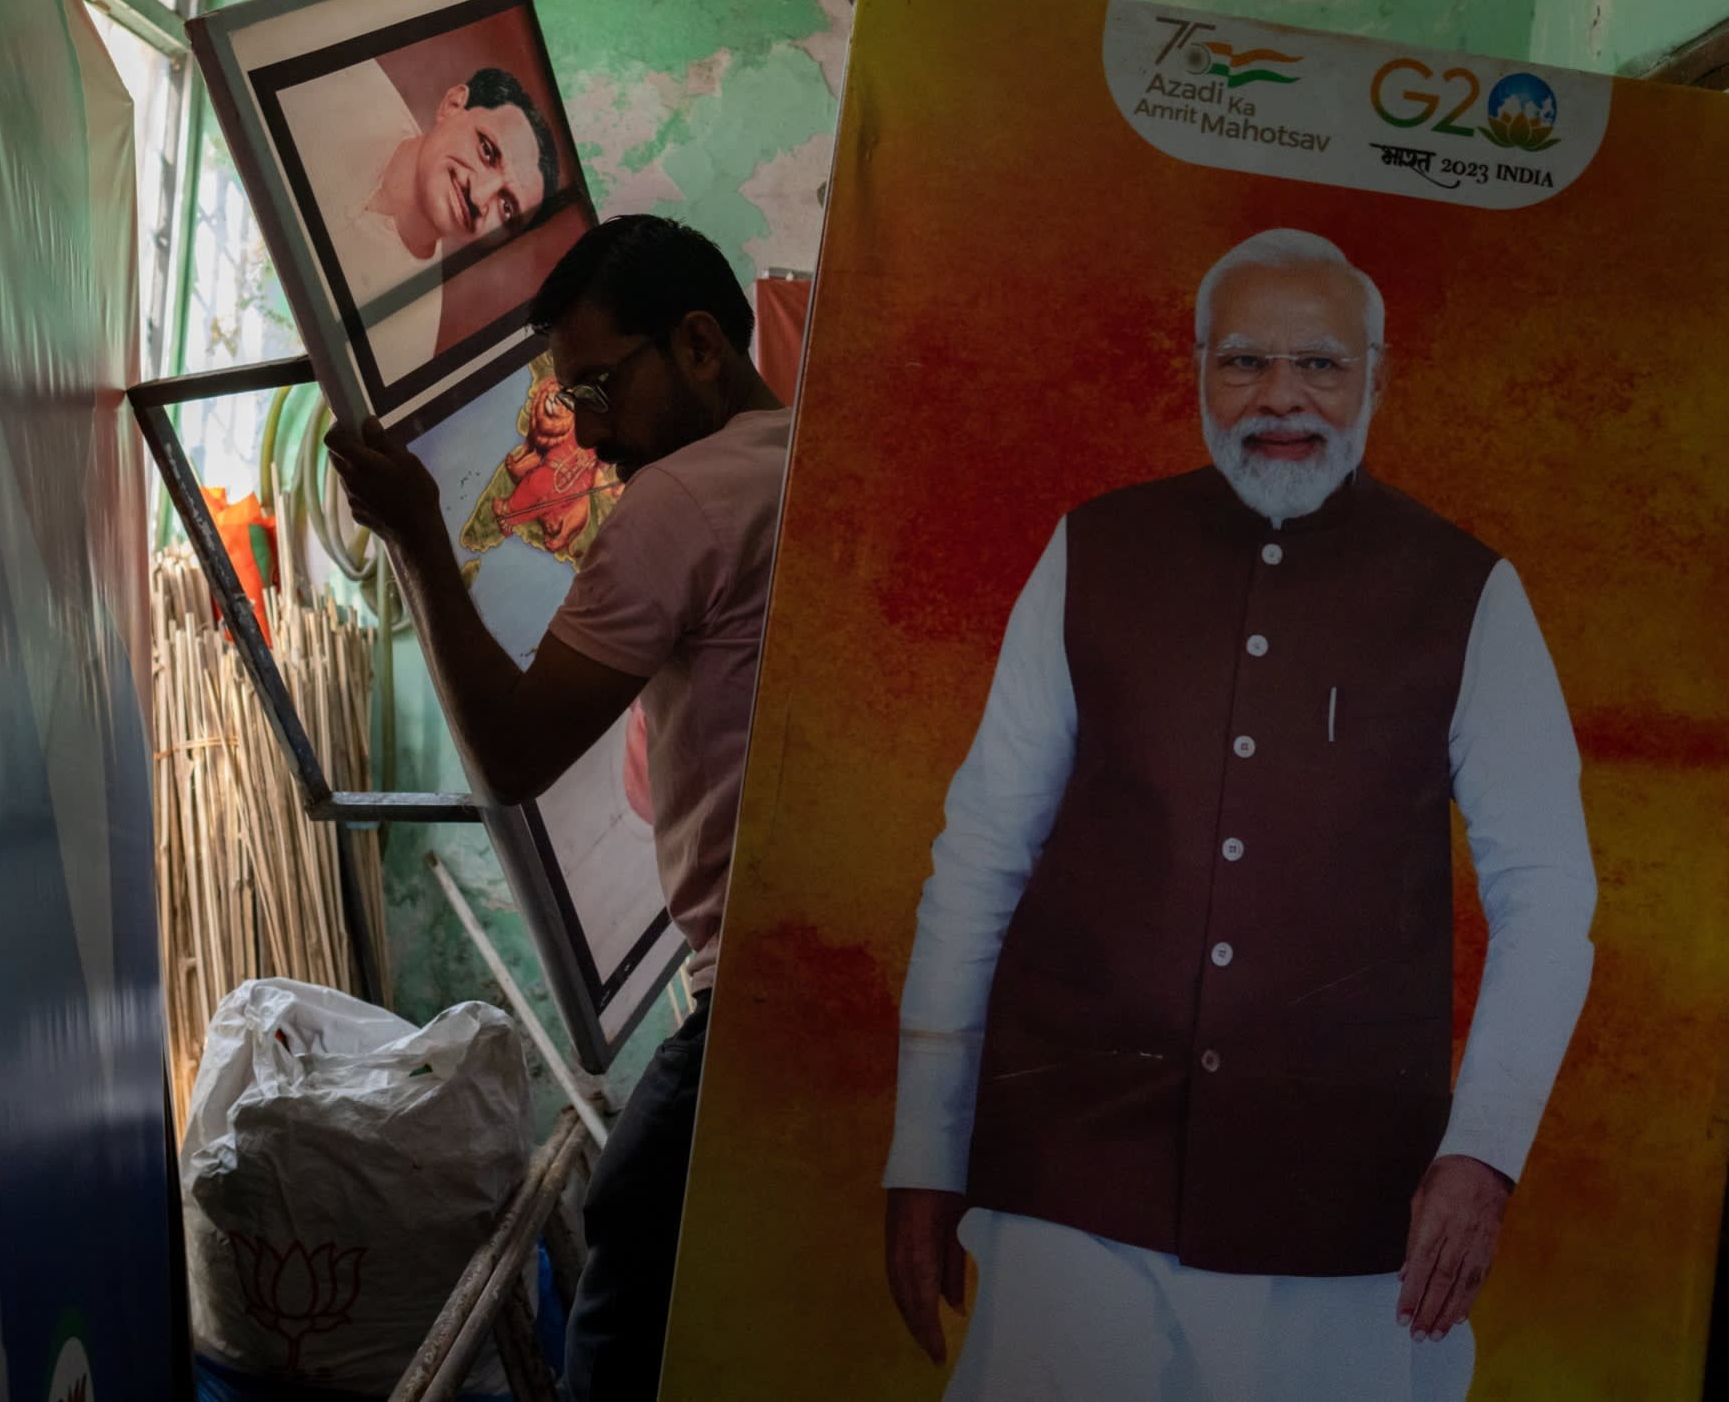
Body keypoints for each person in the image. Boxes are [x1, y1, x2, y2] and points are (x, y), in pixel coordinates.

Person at [882, 228, 1597, 1402]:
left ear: (1376, 377)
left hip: (1337, 1200)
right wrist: (923, 1148)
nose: (1279, 397)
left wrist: (1481, 1153)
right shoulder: (1092, 550)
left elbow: (1548, 895)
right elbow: (979, 855)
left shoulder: (1466, 590)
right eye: (1244, 361)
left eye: (1317, 365)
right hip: (1075, 1172)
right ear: (1196, 371)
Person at [327, 215, 791, 1400]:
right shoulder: (807, 454)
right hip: (835, 973)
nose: (583, 431)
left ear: (698, 345)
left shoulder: (680, 501)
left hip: (755, 1003)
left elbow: (511, 750)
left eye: (595, 386)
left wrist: (418, 535)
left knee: (624, 1278)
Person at [283, 60, 559, 381]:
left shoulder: (410, 336)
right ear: (453, 105)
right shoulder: (340, 83)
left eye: (507, 207)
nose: (479, 195)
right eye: (486, 150)